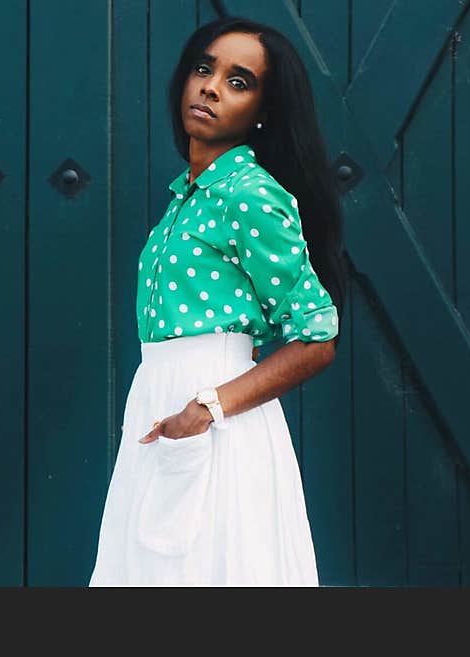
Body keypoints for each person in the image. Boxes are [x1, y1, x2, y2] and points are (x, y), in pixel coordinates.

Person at [88, 15, 349, 586]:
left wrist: (208, 407)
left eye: (238, 80)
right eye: (204, 69)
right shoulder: (185, 198)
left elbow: (317, 337)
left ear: (263, 110)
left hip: (217, 419)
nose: (209, 86)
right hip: (161, 405)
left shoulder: (249, 195)